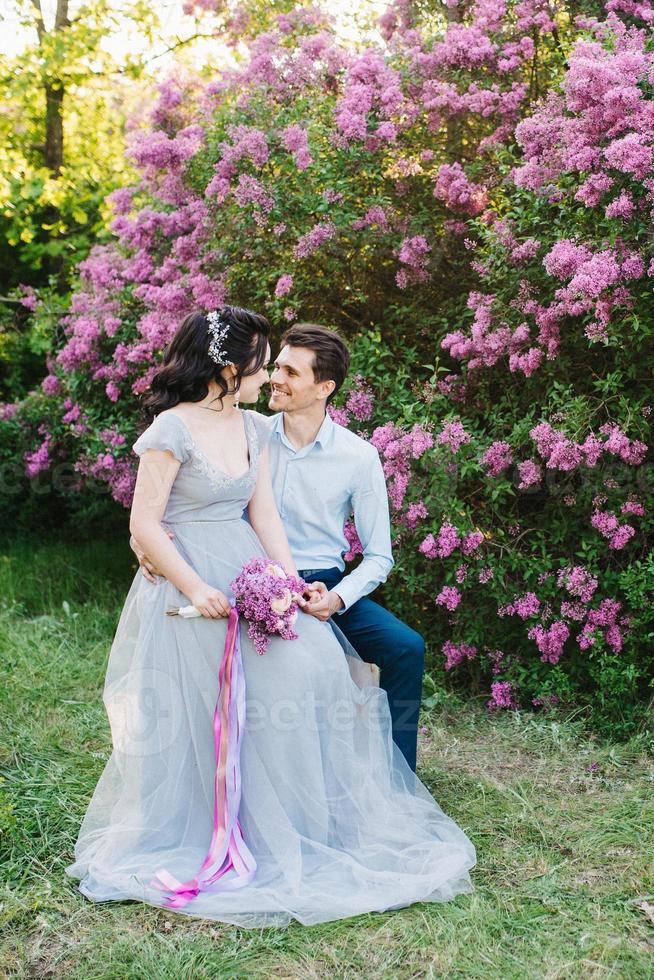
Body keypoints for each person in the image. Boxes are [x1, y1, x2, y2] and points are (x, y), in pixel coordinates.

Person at [65, 305, 475, 928]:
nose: (269, 377)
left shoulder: (262, 432)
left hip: (259, 569)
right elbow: (144, 519)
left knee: (308, 670)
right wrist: (190, 580)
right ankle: (206, 824)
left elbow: (265, 516)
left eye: (282, 368)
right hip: (190, 581)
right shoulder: (171, 430)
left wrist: (286, 586)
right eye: (263, 364)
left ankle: (314, 813)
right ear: (230, 369)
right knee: (201, 705)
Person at [134, 323, 426, 772]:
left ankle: (396, 774)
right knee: (296, 669)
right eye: (273, 367)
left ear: (324, 387)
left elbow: (379, 555)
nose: (274, 377)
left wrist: (336, 596)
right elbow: (176, 497)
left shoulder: (358, 456)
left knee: (405, 647)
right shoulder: (248, 427)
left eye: (289, 372)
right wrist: (141, 536)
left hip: (321, 583)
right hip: (244, 572)